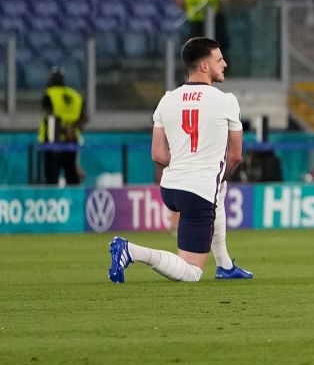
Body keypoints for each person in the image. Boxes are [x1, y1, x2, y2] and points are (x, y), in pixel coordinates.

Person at [108, 37, 252, 283]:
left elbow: (158, 155)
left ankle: (225, 266)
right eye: (219, 60)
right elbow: (236, 156)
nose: (225, 64)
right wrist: (214, 177)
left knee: (219, 189)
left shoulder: (167, 99)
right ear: (205, 67)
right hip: (197, 192)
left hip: (170, 188)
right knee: (191, 272)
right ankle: (131, 250)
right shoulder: (226, 101)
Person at [39, 69, 87, 185]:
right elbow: (84, 118)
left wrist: (63, 130)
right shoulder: (75, 95)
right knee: (72, 177)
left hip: (53, 143)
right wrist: (72, 129)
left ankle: (51, 200)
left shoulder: (49, 94)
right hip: (71, 142)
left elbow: (50, 118)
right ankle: (75, 201)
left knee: (51, 178)